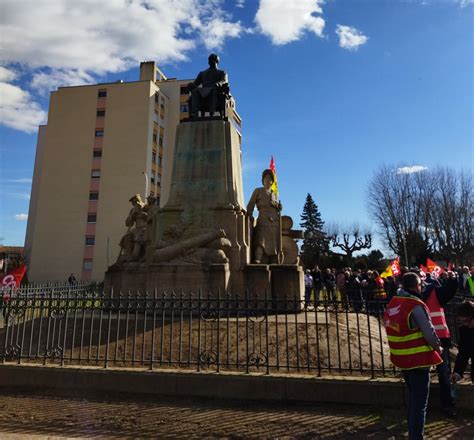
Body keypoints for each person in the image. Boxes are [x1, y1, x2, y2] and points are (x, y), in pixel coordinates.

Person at [383, 272, 443, 440]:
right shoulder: (415, 305)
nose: (422, 287)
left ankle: (413, 433)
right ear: (416, 286)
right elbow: (429, 332)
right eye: (420, 285)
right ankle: (416, 437)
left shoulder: (393, 303)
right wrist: (438, 348)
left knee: (413, 401)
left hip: (402, 359)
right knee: (419, 405)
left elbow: (392, 327)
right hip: (419, 361)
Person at [422, 270, 458, 417]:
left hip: (423, 338)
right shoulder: (432, 292)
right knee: (442, 373)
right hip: (438, 337)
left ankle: (425, 405)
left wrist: (452, 279)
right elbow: (449, 291)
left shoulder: (426, 294)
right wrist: (452, 279)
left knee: (429, 374)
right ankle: (446, 405)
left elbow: (449, 290)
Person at [246, 169, 282, 264]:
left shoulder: (274, 194)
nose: (268, 180)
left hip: (274, 220)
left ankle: (273, 258)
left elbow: (276, 207)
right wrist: (249, 215)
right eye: (266, 178)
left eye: (270, 178)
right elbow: (251, 204)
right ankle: (258, 257)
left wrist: (279, 207)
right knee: (260, 239)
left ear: (272, 181)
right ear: (263, 180)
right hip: (263, 217)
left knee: (273, 241)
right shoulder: (258, 191)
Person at [187, 53, 229, 118]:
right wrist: (191, 85)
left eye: (213, 59)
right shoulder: (203, 73)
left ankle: (212, 112)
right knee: (195, 91)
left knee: (213, 90)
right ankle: (194, 113)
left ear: (217, 61)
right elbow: (196, 83)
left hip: (216, 90)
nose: (210, 61)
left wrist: (218, 83)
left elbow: (224, 81)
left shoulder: (222, 72)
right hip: (203, 92)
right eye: (209, 60)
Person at [452, 300, 474, 384]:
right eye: (462, 321)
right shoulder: (465, 330)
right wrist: (457, 373)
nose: (465, 324)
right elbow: (463, 353)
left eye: (467, 320)